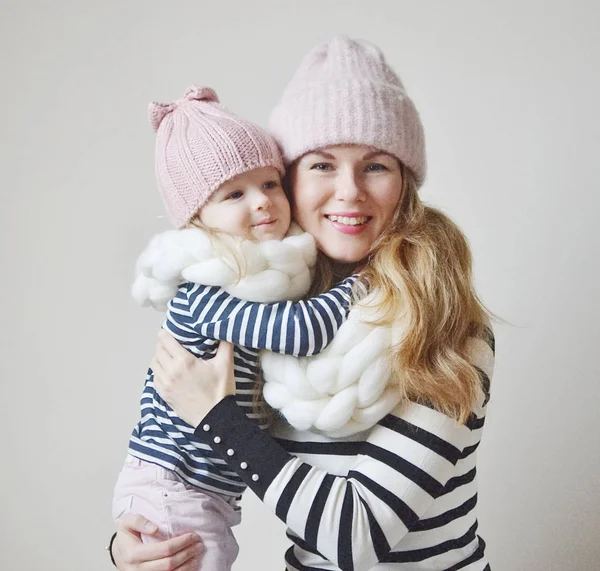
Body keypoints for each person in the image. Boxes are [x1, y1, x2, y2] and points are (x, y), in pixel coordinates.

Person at [109, 36, 495, 571]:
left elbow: (354, 539)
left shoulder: (443, 320)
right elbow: (175, 459)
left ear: (405, 181)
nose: (349, 191)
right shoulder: (268, 312)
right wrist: (136, 542)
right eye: (321, 165)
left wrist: (219, 419)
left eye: (376, 165)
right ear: (287, 178)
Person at [112, 85, 359, 571]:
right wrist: (361, 286)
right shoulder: (209, 291)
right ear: (197, 218)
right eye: (234, 194)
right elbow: (303, 331)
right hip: (176, 484)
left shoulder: (259, 279)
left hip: (199, 487)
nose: (263, 202)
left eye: (270, 184)